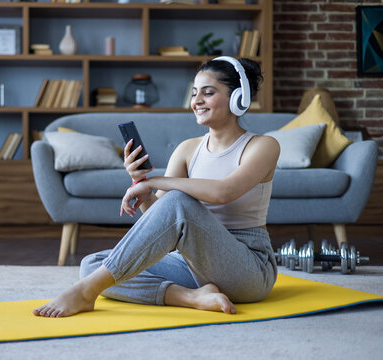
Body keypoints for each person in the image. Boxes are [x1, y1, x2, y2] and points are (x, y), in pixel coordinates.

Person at [33, 57, 280, 318]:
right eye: (194, 93)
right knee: (92, 265)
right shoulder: (188, 149)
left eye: (208, 93)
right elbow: (162, 219)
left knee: (177, 202)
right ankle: (191, 297)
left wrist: (157, 181)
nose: (196, 101)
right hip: (191, 263)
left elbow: (223, 192)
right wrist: (142, 186)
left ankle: (85, 292)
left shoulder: (262, 146)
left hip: (249, 268)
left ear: (237, 98)